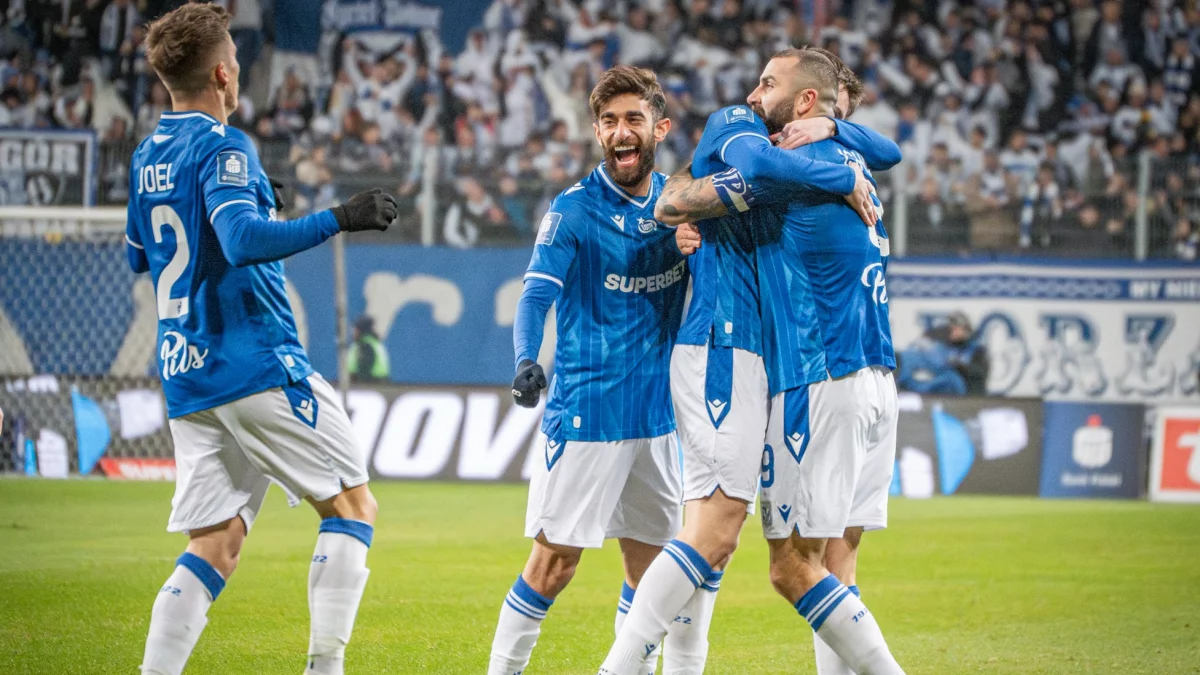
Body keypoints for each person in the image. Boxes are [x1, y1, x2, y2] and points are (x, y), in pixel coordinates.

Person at [600, 49, 905, 675]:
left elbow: (882, 149)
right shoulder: (746, 126)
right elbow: (695, 188)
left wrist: (833, 137)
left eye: (771, 85)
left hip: (808, 366)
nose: (755, 93)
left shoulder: (828, 150)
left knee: (810, 560)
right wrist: (682, 205)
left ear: (816, 107)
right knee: (724, 531)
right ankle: (621, 667)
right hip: (731, 344)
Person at [124, 5, 398, 675]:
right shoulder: (225, 145)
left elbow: (139, 255)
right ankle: (325, 668)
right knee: (353, 507)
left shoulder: (147, 154)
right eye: (236, 62)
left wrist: (247, 197)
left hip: (188, 373)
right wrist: (340, 217)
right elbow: (242, 241)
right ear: (223, 73)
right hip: (255, 360)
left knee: (215, 544)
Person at [488, 65, 695, 675]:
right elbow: (535, 295)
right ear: (598, 132)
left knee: (652, 575)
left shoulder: (683, 204)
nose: (621, 131)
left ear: (659, 127)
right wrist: (526, 359)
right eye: (609, 121)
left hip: (656, 419)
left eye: (633, 119)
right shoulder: (573, 210)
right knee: (554, 564)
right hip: (588, 413)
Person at [897, 311, 989, 396]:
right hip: (943, 391)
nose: (953, 331)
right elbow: (930, 361)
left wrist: (961, 367)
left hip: (968, 395)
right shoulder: (944, 347)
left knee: (951, 379)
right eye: (952, 328)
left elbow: (979, 373)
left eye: (957, 328)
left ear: (966, 330)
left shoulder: (977, 351)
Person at [347, 315, 390, 383]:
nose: (353, 332)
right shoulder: (374, 343)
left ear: (361, 330)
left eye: (355, 329)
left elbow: (364, 372)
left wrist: (355, 384)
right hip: (379, 383)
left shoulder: (365, 346)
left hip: (371, 384)